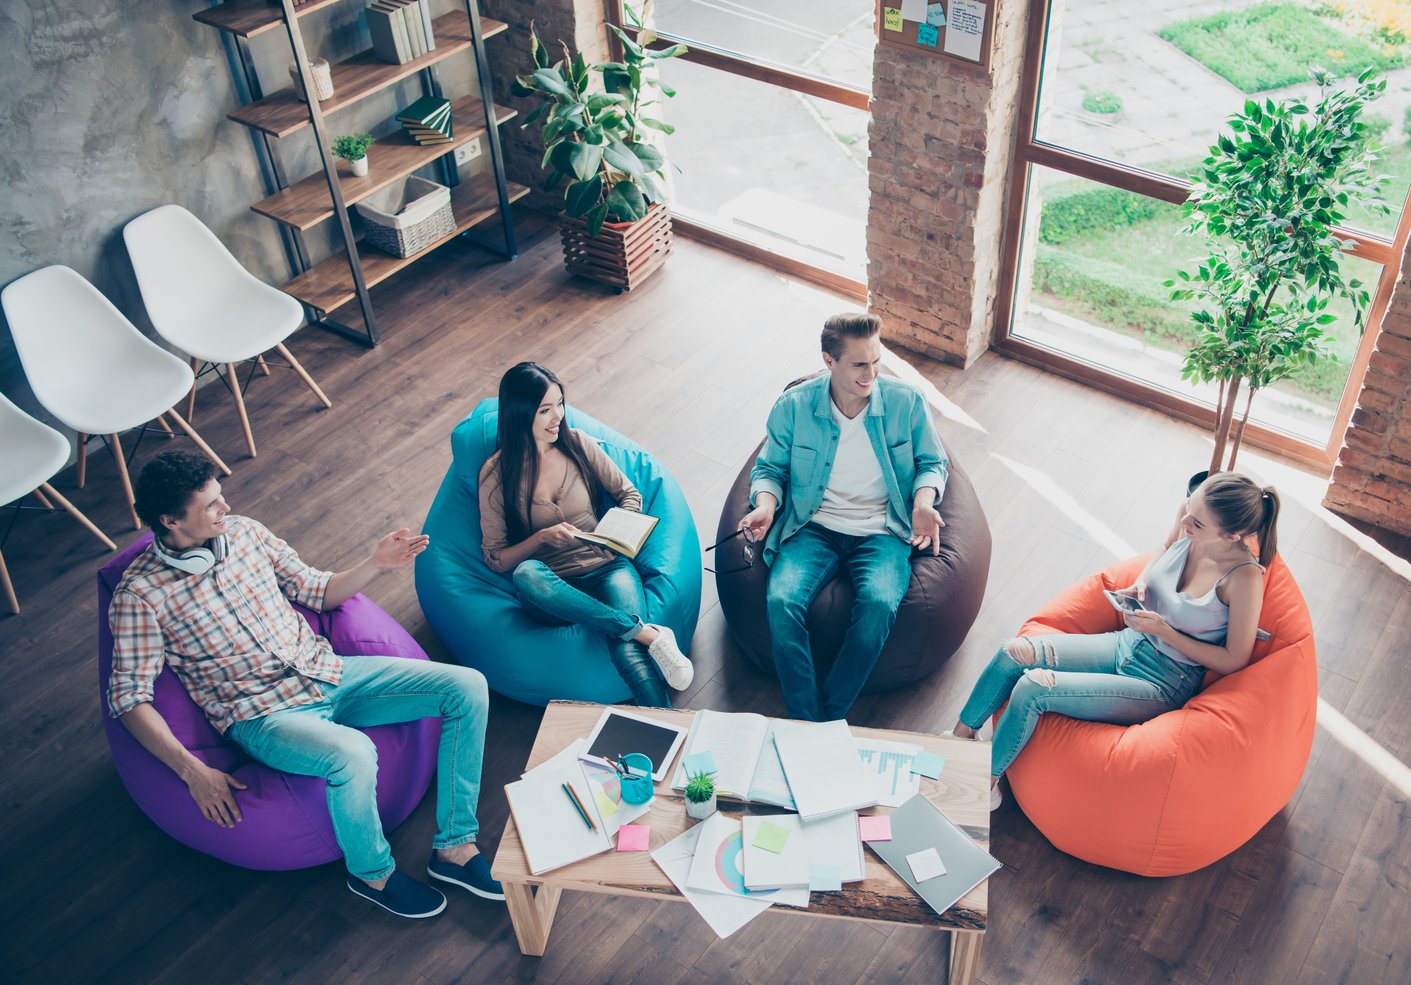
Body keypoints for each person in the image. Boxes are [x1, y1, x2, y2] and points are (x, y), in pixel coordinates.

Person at [108, 449, 496, 919]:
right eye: (210, 506)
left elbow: (316, 589)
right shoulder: (139, 596)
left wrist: (376, 563)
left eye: (221, 497)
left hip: (328, 672)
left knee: (468, 686)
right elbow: (129, 698)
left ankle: (454, 848)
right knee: (353, 753)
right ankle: (372, 874)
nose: (225, 509)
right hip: (265, 716)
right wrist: (193, 771)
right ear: (170, 520)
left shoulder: (246, 534)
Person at [953, 472, 1279, 808]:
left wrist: (1166, 632)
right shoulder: (1189, 518)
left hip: (1163, 681)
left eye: (1196, 523)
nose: (1185, 522)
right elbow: (1165, 550)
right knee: (1013, 652)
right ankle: (956, 742)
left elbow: (1234, 658)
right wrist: (1141, 583)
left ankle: (983, 785)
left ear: (1231, 535)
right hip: (1127, 643)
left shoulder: (1244, 578)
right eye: (1188, 511)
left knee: (1034, 687)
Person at [738, 312, 949, 723]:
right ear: (828, 361)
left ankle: (828, 717)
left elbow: (932, 462)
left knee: (879, 604)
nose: (871, 373)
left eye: (876, 360)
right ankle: (805, 715)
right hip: (811, 525)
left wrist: (924, 503)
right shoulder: (794, 407)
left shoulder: (906, 402)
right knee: (781, 600)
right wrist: (765, 506)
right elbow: (769, 469)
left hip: (884, 528)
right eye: (859, 364)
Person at [478, 362, 692, 705]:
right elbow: (495, 558)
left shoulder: (576, 443)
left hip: (607, 565)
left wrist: (615, 535)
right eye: (545, 410)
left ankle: (672, 734)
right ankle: (647, 634)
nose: (558, 417)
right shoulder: (495, 475)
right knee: (525, 573)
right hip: (553, 585)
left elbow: (630, 495)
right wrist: (541, 539)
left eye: (560, 404)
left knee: (626, 653)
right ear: (520, 413)